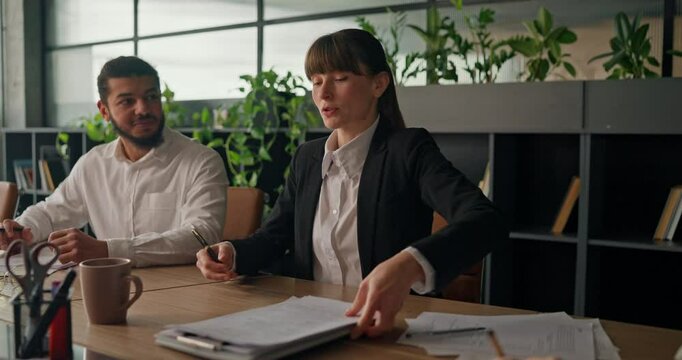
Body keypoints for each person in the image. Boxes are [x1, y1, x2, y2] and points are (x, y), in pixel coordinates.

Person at [196, 29, 508, 337]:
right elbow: (274, 237)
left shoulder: (408, 150)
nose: (323, 93)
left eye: (340, 78)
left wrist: (410, 263)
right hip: (308, 323)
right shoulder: (307, 157)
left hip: (388, 323)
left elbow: (486, 220)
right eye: (316, 81)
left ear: (378, 84)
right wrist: (231, 252)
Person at [0, 56, 228, 267]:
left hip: (184, 291)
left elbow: (202, 236)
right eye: (127, 101)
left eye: (151, 97)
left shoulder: (201, 161)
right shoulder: (93, 164)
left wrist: (107, 249)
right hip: (108, 285)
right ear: (104, 111)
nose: (143, 109)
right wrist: (22, 229)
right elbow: (50, 213)